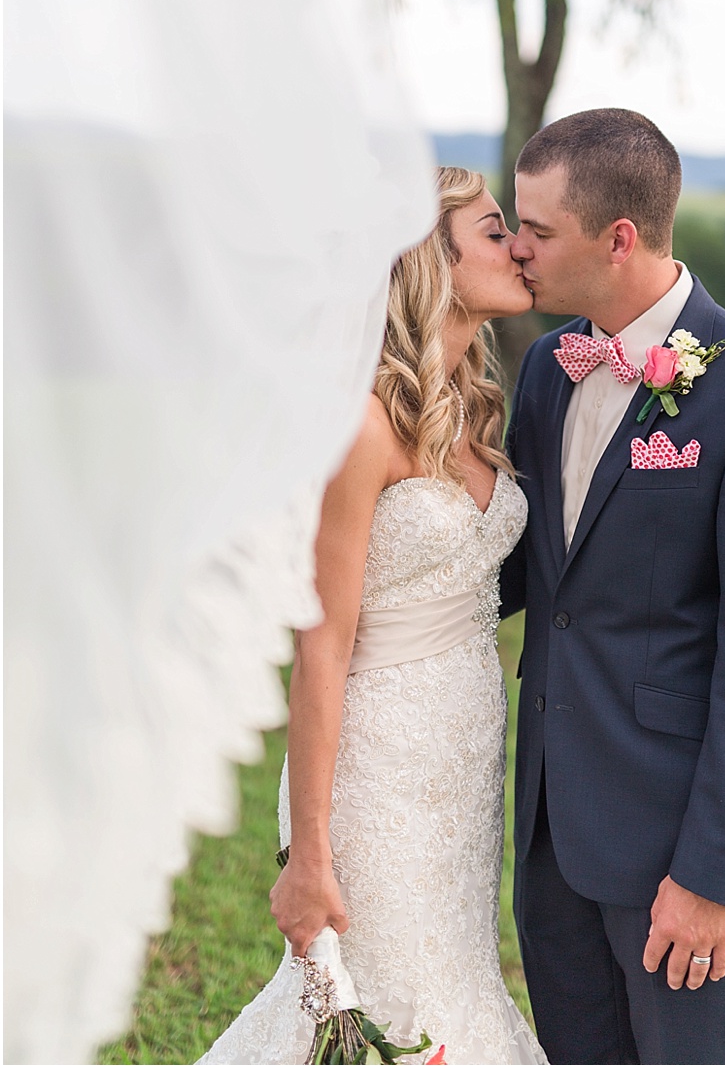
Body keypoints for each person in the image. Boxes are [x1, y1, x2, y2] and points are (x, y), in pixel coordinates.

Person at [500, 108, 725, 1065]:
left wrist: (714, 877)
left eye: (538, 229)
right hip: (553, 834)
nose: (518, 247)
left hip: (679, 849)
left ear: (617, 238)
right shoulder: (547, 369)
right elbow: (527, 567)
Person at [203, 169, 544, 1064]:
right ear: (430, 253)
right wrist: (306, 853)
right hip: (376, 770)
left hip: (465, 761)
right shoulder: (357, 428)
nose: (517, 246)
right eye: (495, 227)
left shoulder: (478, 411)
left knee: (455, 972)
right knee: (389, 997)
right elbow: (321, 649)